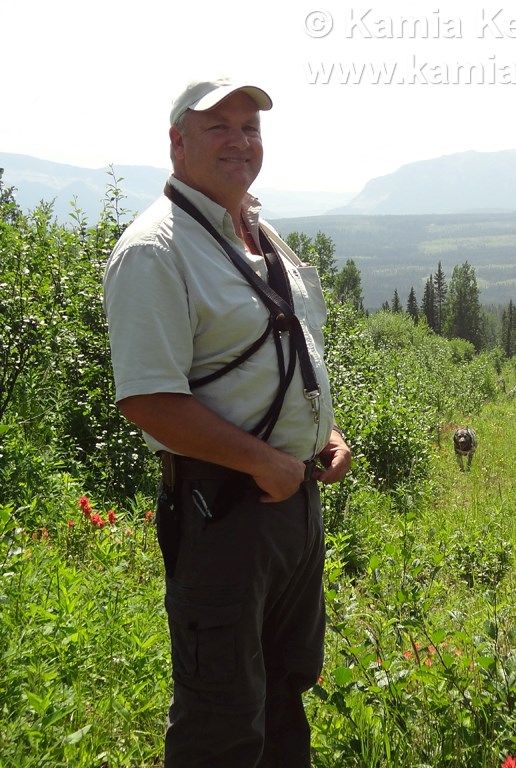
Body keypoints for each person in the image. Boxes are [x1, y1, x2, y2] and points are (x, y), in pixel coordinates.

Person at [103, 77, 352, 767]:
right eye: (219, 127)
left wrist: (322, 435)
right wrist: (265, 462)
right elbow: (148, 400)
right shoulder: (156, 249)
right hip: (222, 507)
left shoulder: (257, 232)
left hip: (290, 501)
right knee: (221, 716)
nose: (240, 141)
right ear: (177, 142)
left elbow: (280, 351)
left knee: (285, 688)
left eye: (250, 128)